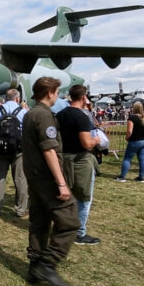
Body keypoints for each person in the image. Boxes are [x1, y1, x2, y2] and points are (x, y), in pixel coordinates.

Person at [22, 77, 79, 286]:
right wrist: (61, 183)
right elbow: (49, 150)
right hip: (47, 178)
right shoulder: (43, 115)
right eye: (56, 92)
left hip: (34, 177)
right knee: (70, 220)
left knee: (40, 221)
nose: (57, 96)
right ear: (49, 93)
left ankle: (35, 266)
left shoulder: (30, 113)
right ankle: (48, 264)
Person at [56, 85, 101, 245]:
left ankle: (61, 226)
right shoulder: (82, 117)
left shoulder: (59, 115)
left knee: (65, 195)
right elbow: (86, 143)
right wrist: (96, 140)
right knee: (84, 198)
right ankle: (79, 233)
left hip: (63, 158)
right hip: (80, 160)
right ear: (83, 97)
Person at [0, 88, 29, 217]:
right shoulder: (23, 112)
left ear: (5, 98)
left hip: (0, 149)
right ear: (17, 99)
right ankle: (20, 209)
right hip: (18, 150)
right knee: (20, 179)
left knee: (0, 179)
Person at [116, 101, 144, 182]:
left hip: (135, 141)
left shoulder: (132, 118)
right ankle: (141, 177)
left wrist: (127, 138)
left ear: (134, 108)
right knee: (142, 159)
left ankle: (122, 177)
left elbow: (129, 131)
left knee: (127, 159)